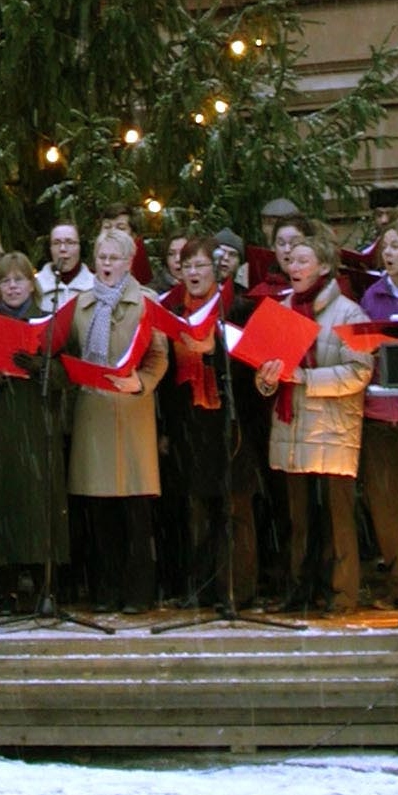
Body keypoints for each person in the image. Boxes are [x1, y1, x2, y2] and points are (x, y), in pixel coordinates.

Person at [255, 224, 373, 614]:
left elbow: (359, 372)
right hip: (291, 426)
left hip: (332, 427)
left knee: (337, 516)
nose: (294, 266)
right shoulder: (281, 311)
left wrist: (305, 378)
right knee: (298, 517)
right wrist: (267, 379)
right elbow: (267, 374)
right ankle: (299, 590)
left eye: (303, 260)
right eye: (290, 260)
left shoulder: (348, 312)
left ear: (323, 267)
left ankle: (340, 594)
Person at [65, 226, 167, 613]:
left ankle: (138, 592)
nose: (106, 264)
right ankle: (105, 591)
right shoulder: (80, 304)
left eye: (114, 258)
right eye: (102, 257)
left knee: (134, 510)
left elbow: (159, 357)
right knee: (99, 510)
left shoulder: (146, 302)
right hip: (92, 413)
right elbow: (69, 350)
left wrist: (140, 383)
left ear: (128, 262)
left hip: (130, 413)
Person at [0, 252, 69, 611]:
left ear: (32, 284)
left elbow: (66, 375)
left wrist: (40, 366)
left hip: (37, 422)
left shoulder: (48, 321)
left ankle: (46, 586)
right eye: (5, 281)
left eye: (19, 280)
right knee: (1, 503)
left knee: (40, 504)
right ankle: (6, 587)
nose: (12, 287)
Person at [156, 236, 233, 612]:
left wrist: (215, 352)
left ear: (215, 270)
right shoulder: (173, 312)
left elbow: (246, 365)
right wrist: (166, 429)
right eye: (187, 266)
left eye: (200, 265)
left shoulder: (233, 309)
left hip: (226, 421)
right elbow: (167, 378)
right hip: (188, 421)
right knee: (194, 507)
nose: (193, 273)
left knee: (229, 508)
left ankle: (230, 587)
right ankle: (197, 585)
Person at [358, 219, 398, 605]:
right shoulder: (373, 295)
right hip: (379, 410)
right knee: (385, 504)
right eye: (385, 247)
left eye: (397, 246)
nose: (389, 253)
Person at [34, 221, 94, 306]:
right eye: (56, 243)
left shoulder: (95, 285)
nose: (62, 249)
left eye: (69, 242)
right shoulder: (34, 286)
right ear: (49, 249)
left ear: (80, 247)